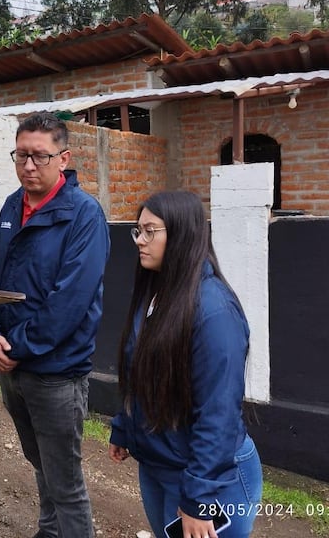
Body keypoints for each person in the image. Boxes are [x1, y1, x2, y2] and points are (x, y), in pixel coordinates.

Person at [0, 111, 111, 538]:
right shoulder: (12, 206)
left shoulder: (84, 215)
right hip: (13, 364)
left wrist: (13, 347)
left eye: (39, 156)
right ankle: (49, 532)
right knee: (39, 462)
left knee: (65, 481)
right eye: (21, 156)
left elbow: (69, 302)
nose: (28, 166)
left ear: (64, 158)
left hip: (55, 372)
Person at [108, 191, 263, 538]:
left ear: (180, 234)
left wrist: (199, 497)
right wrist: (124, 426)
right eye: (137, 231)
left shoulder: (213, 311)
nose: (140, 241)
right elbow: (141, 372)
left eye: (150, 231)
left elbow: (219, 411)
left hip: (210, 479)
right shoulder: (157, 292)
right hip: (159, 464)